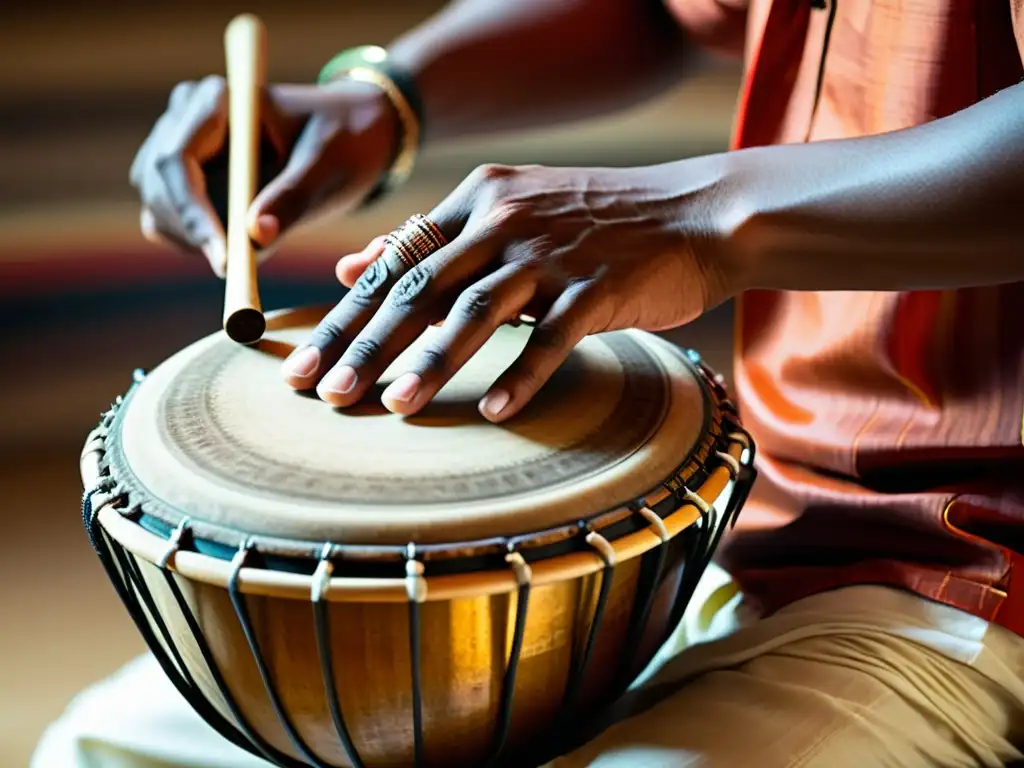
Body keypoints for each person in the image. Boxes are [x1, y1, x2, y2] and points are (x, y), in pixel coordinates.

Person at [36, 1, 1024, 766]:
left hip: (971, 568)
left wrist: (699, 214)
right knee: (103, 748)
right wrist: (387, 96)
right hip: (731, 528)